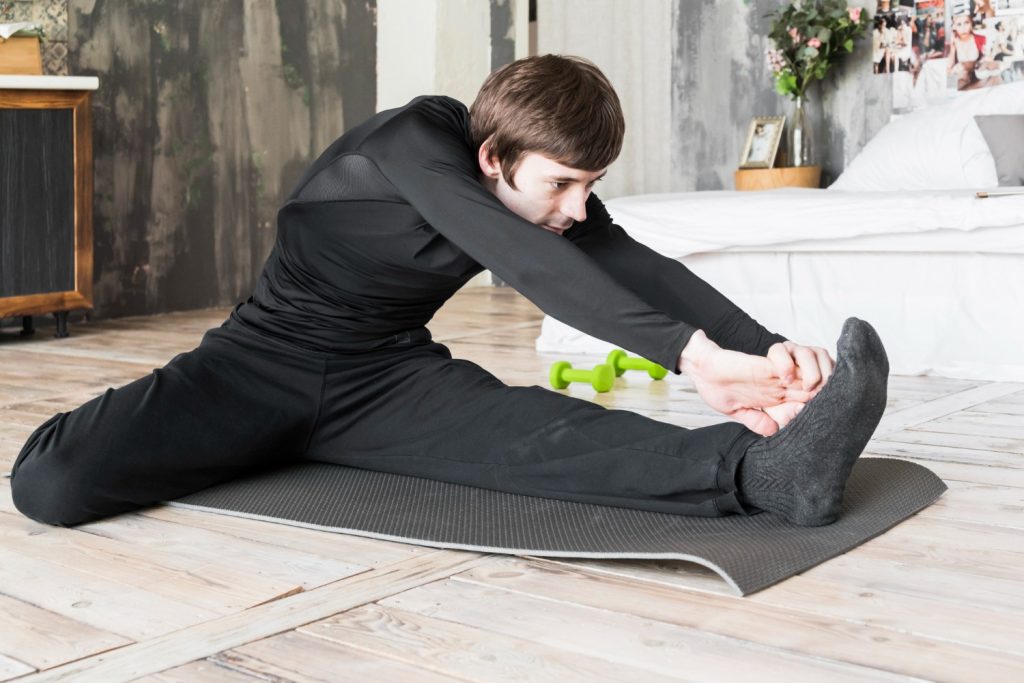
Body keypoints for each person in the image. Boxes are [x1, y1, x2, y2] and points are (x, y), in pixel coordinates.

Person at [10, 55, 889, 530]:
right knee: (51, 483)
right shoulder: (407, 144)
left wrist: (766, 348)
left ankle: (768, 476)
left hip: (387, 380)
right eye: (562, 186)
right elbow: (535, 263)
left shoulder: (537, 188)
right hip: (258, 365)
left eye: (590, 184)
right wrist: (692, 358)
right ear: (491, 159)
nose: (577, 207)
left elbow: (628, 262)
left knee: (547, 438)